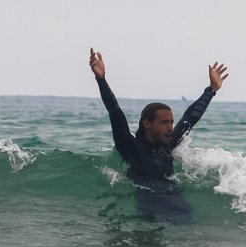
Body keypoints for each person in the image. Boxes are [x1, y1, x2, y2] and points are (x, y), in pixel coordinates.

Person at [89, 47, 228, 220]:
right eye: (163, 123)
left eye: (171, 122)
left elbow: (190, 118)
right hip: (149, 201)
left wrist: (211, 90)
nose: (170, 127)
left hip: (175, 198)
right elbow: (115, 112)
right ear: (147, 123)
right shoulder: (131, 148)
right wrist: (101, 79)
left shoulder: (168, 144)